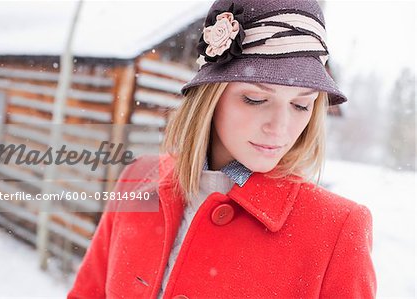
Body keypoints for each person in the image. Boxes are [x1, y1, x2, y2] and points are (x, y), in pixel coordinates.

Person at [67, 0, 377, 298]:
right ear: (211, 98)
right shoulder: (138, 178)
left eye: (300, 105)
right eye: (255, 99)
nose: (280, 127)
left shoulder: (337, 230)